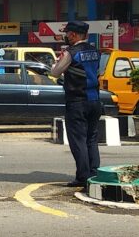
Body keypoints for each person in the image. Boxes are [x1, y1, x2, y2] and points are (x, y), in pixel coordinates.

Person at [50, 21, 103, 187]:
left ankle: (82, 177)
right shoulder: (95, 51)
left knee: (78, 140)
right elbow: (97, 72)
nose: (66, 36)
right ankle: (94, 173)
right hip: (95, 100)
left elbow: (55, 72)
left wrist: (55, 64)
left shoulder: (70, 53)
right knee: (91, 138)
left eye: (67, 33)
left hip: (77, 102)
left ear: (73, 34)